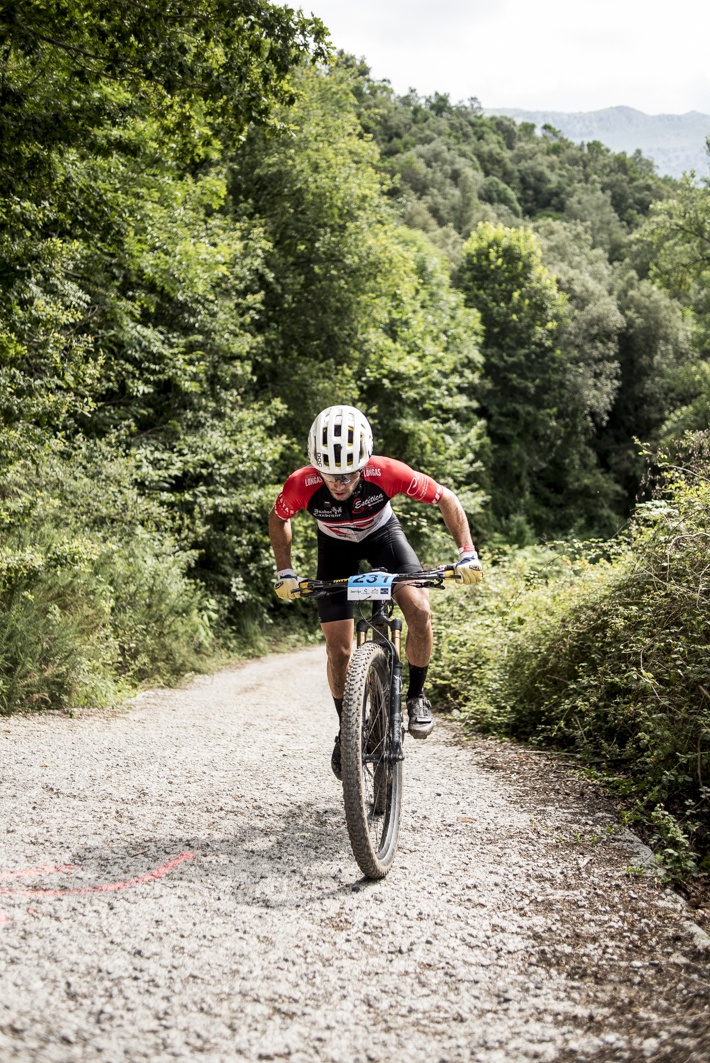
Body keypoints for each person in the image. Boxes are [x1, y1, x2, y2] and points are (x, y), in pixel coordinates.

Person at [268, 404, 482, 779]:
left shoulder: (388, 472)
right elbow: (278, 517)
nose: (338, 484)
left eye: (348, 475)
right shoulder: (301, 484)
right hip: (334, 550)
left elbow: (446, 498)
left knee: (419, 610)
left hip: (383, 538)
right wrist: (285, 571)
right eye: (329, 476)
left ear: (364, 464)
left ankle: (416, 696)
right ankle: (347, 730)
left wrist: (468, 553)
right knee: (339, 651)